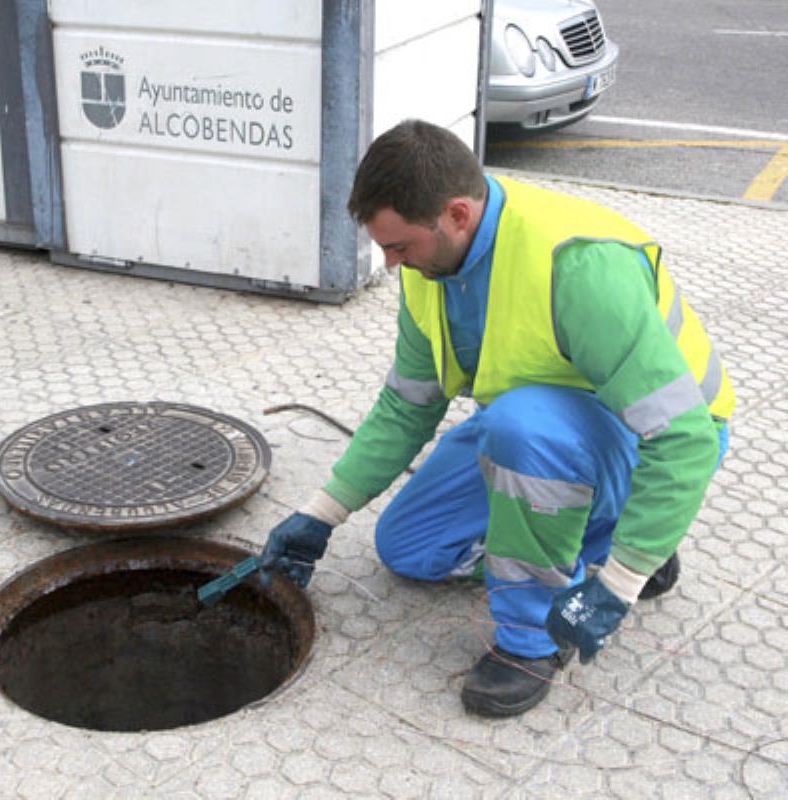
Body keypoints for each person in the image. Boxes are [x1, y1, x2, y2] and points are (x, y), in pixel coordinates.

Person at [259, 119, 733, 718]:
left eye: (400, 247)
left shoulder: (578, 266)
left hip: (648, 446)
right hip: (541, 434)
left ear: (457, 215)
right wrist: (320, 514)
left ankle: (533, 641)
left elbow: (685, 441)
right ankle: (614, 535)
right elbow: (406, 407)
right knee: (410, 547)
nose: (391, 263)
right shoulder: (432, 271)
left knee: (519, 427)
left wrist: (618, 586)